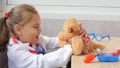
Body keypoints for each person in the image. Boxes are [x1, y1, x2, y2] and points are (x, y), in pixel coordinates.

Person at [0, 4, 87, 68]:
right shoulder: (16, 52)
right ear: (18, 29)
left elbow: (52, 41)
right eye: (35, 26)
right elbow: (42, 62)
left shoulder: (32, 39)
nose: (40, 30)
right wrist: (70, 47)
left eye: (39, 25)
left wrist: (72, 36)